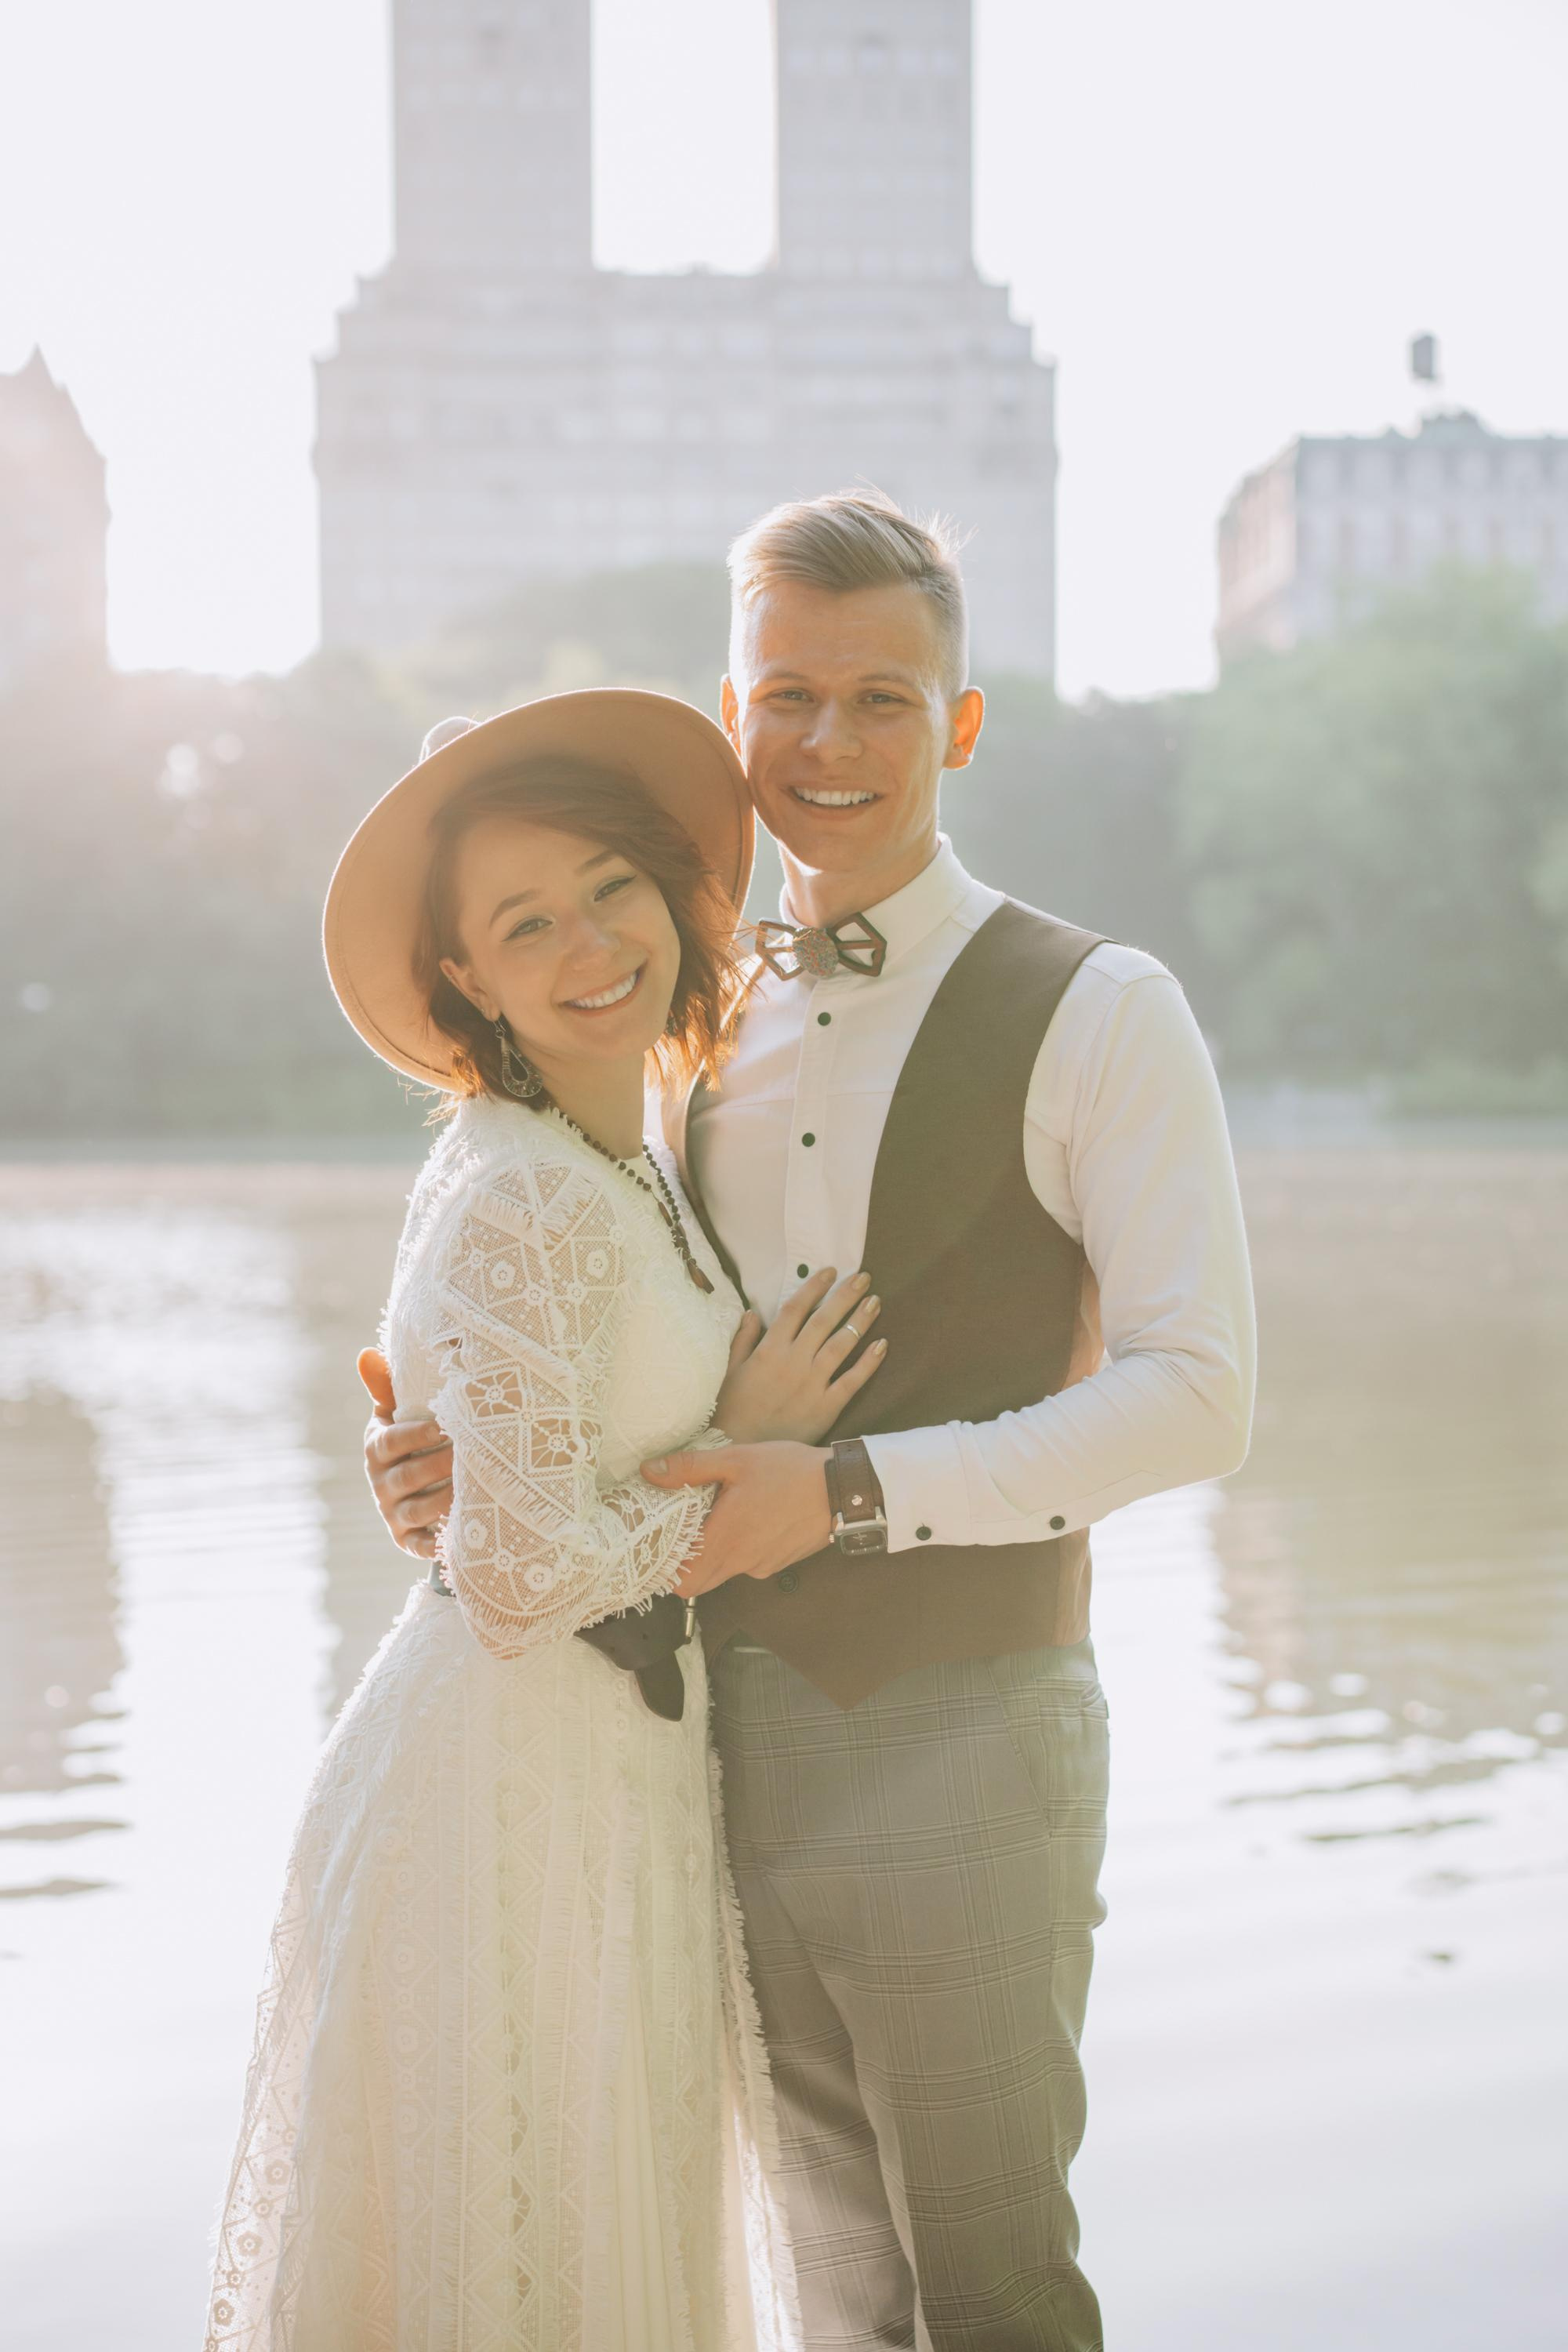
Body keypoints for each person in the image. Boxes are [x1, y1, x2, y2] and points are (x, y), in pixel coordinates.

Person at [365, 493, 1258, 2350]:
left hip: (966, 1736)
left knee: (994, 2290)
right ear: (734, 709)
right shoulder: (678, 1023)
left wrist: (843, 1495)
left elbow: (1198, 1398)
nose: (832, 746)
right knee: (831, 2299)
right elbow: (595, 1331)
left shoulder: (1102, 1007)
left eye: (882, 698)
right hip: (681, 1762)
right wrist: (461, 1462)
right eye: (790, 695)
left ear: (961, 722)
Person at [207, 690, 895, 2350]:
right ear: (469, 981)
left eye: (610, 888)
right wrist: (750, 1452)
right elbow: (516, 1581)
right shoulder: (523, 1183)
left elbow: (508, 1464)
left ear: (671, 893)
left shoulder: (621, 1147)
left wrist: (487, 1489)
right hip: (503, 1796)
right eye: (527, 923)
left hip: (594, 1782)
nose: (591, 945)